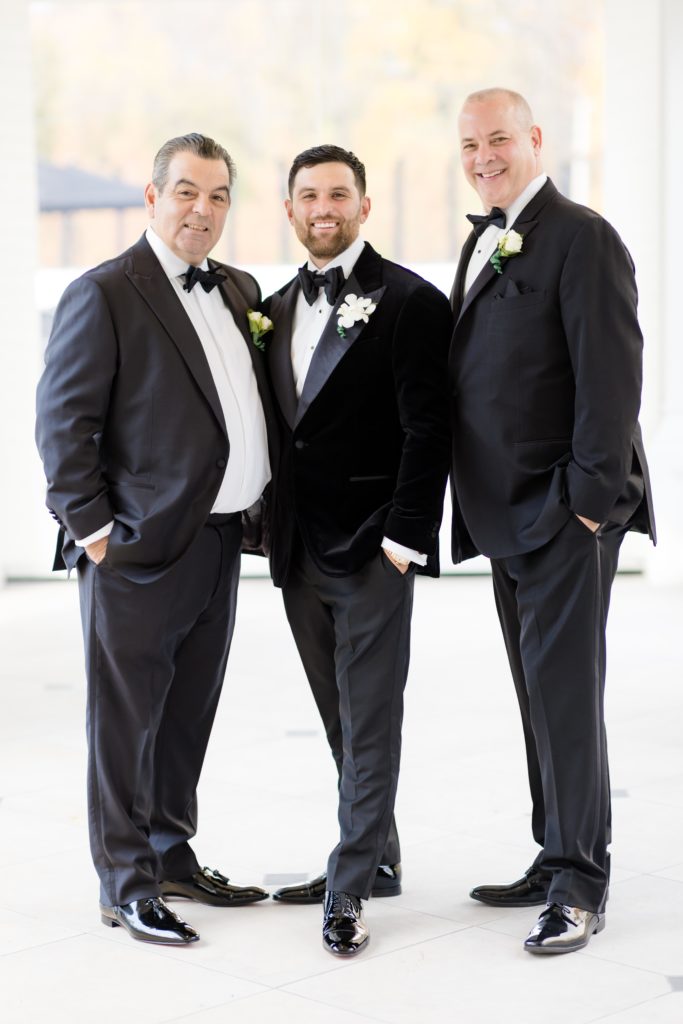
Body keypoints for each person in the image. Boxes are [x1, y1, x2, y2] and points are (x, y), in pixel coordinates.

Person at [35, 133, 276, 946]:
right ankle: (125, 881)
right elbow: (63, 426)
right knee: (125, 721)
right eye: (185, 192)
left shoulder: (240, 287)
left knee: (186, 715)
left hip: (217, 543)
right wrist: (98, 534)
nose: (200, 210)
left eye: (215, 197)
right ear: (152, 196)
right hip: (135, 552)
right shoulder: (104, 292)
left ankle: (173, 855)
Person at [449, 88, 655, 954]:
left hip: (563, 517)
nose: (484, 155)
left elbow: (610, 383)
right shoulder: (485, 236)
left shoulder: (583, 237)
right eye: (470, 143)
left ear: (535, 139)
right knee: (538, 695)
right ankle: (552, 849)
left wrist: (582, 506)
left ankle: (579, 880)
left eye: (499, 138)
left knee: (566, 698)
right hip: (506, 518)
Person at [264, 145, 452, 956]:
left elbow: (429, 428)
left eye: (338, 193)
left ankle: (347, 887)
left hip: (376, 547)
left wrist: (405, 538)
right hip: (298, 550)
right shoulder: (270, 307)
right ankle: (378, 854)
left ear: (364, 206)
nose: (323, 207)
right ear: (290, 209)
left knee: (370, 719)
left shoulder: (410, 301)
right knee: (338, 716)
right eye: (308, 195)